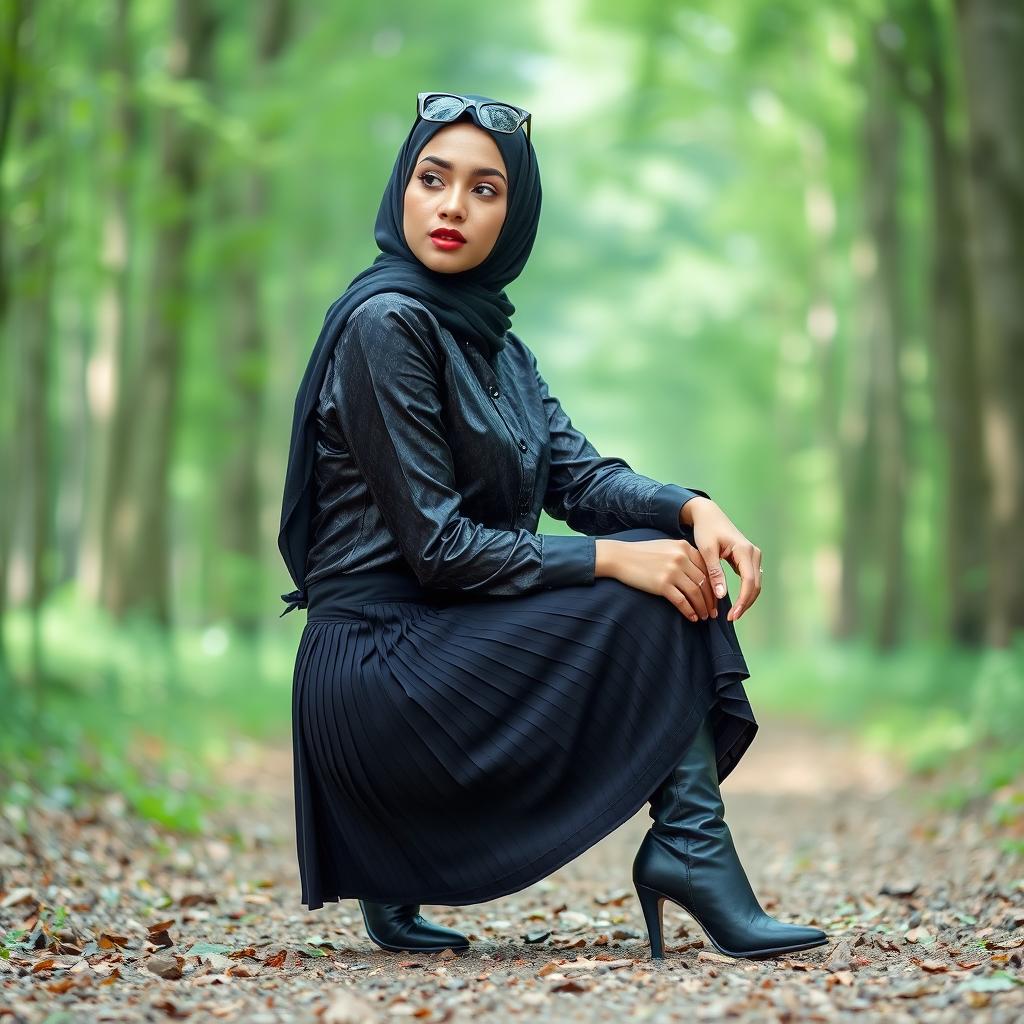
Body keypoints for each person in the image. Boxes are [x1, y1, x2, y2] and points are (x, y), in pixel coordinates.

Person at [277, 91, 828, 960]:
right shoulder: (386, 323)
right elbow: (439, 548)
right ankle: (690, 850)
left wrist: (695, 507)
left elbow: (582, 477)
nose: (454, 205)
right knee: (649, 580)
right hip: (375, 669)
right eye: (432, 178)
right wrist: (619, 561)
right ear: (403, 190)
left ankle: (405, 874)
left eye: (485, 189)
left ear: (515, 212)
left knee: (663, 554)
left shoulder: (495, 345)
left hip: (432, 640)